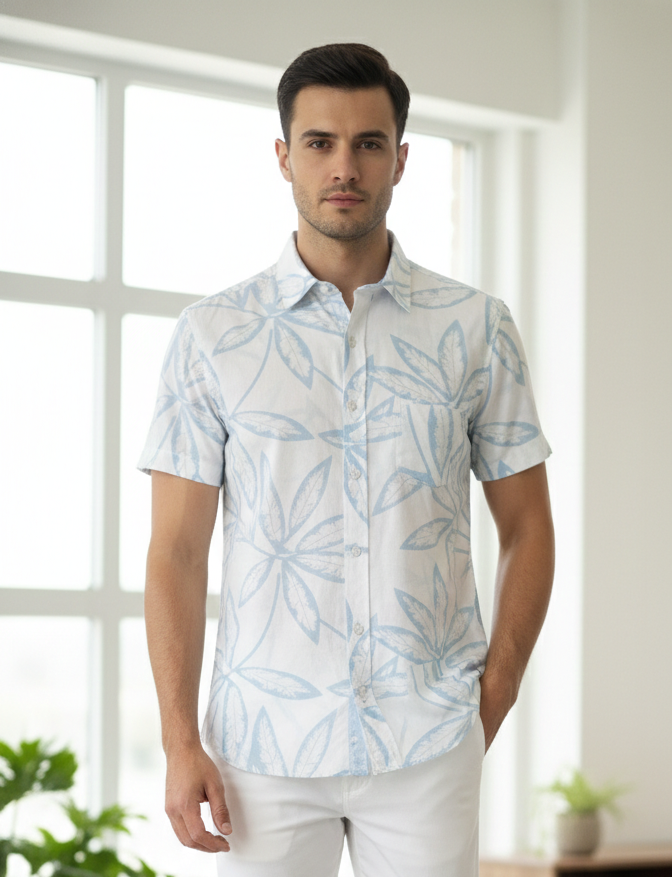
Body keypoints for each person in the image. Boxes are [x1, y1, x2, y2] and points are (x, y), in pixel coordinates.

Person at [139, 42, 554, 877]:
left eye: (369, 143)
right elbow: (176, 551)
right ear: (283, 156)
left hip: (429, 738)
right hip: (263, 748)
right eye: (320, 142)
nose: (344, 167)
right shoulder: (213, 336)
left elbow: (529, 527)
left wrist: (495, 689)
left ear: (400, 159)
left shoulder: (475, 327)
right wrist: (180, 740)